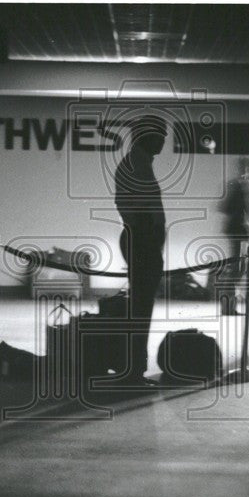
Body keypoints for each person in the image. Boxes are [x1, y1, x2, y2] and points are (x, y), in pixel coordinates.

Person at [114, 114, 168, 387]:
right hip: (142, 241)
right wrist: (152, 239)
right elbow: (142, 211)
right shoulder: (137, 165)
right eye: (160, 136)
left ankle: (134, 368)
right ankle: (134, 371)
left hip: (141, 239)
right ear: (146, 136)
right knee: (141, 310)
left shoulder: (138, 162)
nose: (163, 141)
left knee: (140, 308)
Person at [216, 157, 249, 315]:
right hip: (236, 231)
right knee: (234, 269)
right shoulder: (237, 186)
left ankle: (228, 305)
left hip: (236, 230)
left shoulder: (238, 186)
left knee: (235, 268)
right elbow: (225, 207)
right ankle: (228, 306)